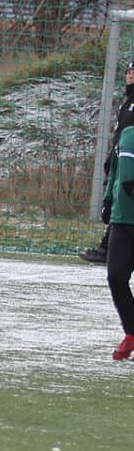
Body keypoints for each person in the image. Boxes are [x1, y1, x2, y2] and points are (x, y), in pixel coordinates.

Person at [79, 60, 134, 263]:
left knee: (120, 205)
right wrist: (112, 158)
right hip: (121, 161)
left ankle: (107, 249)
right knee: (116, 205)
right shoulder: (126, 103)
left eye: (133, 72)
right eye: (128, 71)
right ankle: (106, 249)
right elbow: (120, 136)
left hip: (129, 163)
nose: (130, 75)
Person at [104, 123, 134, 359]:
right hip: (122, 219)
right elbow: (115, 171)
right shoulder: (126, 134)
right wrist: (107, 200)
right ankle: (131, 333)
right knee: (116, 277)